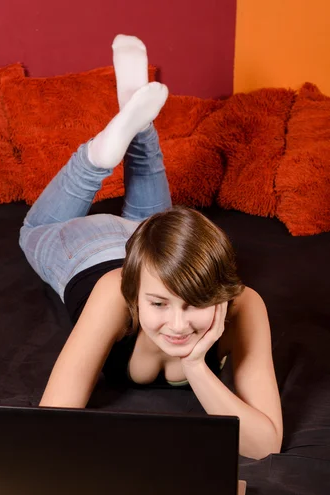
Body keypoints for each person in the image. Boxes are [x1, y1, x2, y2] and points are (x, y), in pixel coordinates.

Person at [20, 35, 283, 460]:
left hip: (155, 245)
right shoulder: (112, 292)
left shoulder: (246, 305)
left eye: (194, 303)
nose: (177, 326)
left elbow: (265, 445)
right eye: (158, 305)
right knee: (34, 230)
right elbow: (54, 420)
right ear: (134, 293)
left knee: (153, 219)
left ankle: (137, 120)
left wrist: (197, 366)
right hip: (88, 251)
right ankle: (99, 158)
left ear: (223, 292)